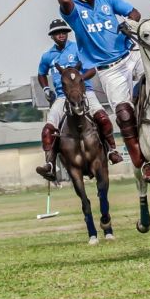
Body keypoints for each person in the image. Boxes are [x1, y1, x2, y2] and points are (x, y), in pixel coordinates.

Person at [48, 0, 150, 182]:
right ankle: (144, 163)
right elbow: (63, 0)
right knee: (124, 116)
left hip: (131, 55)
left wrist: (128, 23)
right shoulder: (74, 11)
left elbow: (134, 12)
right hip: (109, 71)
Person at [34, 18, 123, 181]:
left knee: (103, 118)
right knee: (48, 129)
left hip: (85, 93)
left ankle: (112, 150)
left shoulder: (78, 48)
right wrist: (46, 88)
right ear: (52, 36)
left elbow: (92, 69)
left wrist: (77, 80)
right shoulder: (48, 56)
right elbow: (41, 74)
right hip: (62, 97)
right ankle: (50, 164)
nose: (60, 35)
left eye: (63, 32)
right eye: (56, 33)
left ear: (67, 34)